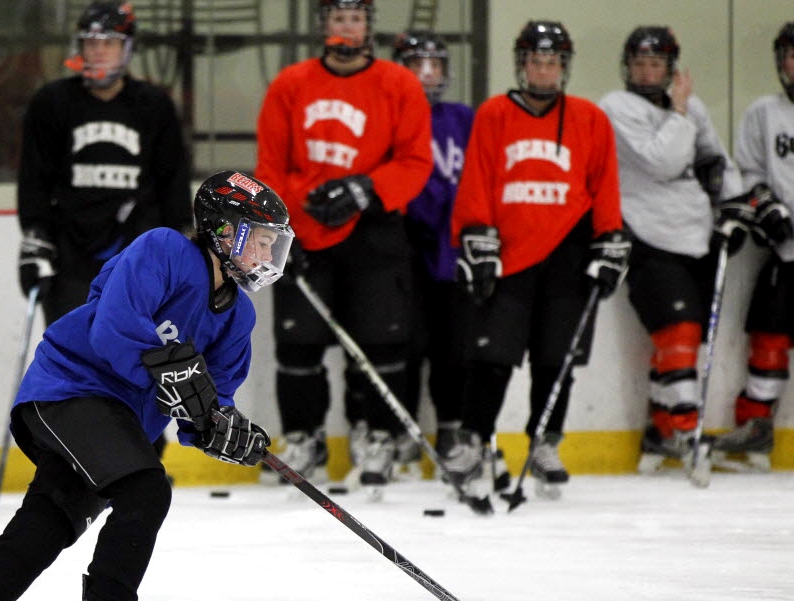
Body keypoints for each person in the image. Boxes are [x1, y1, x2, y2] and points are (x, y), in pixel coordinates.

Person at [0, 170, 294, 601]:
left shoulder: (238, 318)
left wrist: (223, 429)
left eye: (272, 244)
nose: (267, 255)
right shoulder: (165, 250)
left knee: (45, 528)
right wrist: (164, 366)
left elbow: (204, 403)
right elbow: (114, 327)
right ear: (222, 231)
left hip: (115, 421)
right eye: (260, 240)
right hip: (69, 389)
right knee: (147, 489)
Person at [254, 0, 432, 498]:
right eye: (337, 18)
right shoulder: (290, 84)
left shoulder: (399, 84)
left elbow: (416, 160)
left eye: (354, 19)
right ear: (324, 27)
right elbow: (270, 165)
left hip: (373, 233)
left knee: (380, 344)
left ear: (368, 28)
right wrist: (288, 227)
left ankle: (378, 439)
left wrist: (364, 189)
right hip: (303, 234)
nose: (345, 27)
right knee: (298, 345)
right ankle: (305, 440)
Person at [445, 20, 628, 500]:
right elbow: (477, 181)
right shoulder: (494, 114)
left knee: (557, 360)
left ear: (563, 67)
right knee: (491, 357)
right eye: (535, 60)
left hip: (568, 251)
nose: (544, 70)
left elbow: (604, 184)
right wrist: (475, 235)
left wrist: (610, 238)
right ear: (521, 64)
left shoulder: (590, 119)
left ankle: (545, 443)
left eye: (552, 61)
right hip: (508, 254)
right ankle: (472, 441)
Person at [16, 1, 191, 466]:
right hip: (72, 252)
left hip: (137, 260)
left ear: (127, 50)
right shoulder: (53, 104)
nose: (99, 53)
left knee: (138, 358)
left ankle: (144, 456)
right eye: (91, 43)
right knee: (78, 357)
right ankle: (78, 457)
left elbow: (174, 185)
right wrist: (34, 237)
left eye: (109, 43)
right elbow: (34, 180)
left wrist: (177, 248)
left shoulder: (153, 107)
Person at [598, 26, 758, 472]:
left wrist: (732, 206)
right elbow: (661, 160)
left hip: (696, 234)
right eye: (640, 64)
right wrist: (682, 109)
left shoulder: (694, 110)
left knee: (687, 342)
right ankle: (687, 429)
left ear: (669, 69)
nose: (647, 72)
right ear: (626, 67)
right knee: (680, 331)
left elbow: (715, 160)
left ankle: (661, 432)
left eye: (656, 65)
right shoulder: (616, 107)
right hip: (646, 235)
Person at [389, 30, 506, 487]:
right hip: (407, 248)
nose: (428, 75)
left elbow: (480, 177)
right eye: (418, 65)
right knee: (404, 343)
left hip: (454, 248)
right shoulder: (392, 115)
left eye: (435, 65)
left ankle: (453, 431)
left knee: (454, 348)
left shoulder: (463, 117)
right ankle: (395, 432)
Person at [711, 22, 794, 470]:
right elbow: (750, 173)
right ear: (781, 62)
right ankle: (757, 429)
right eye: (792, 55)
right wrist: (768, 208)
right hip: (786, 253)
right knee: (768, 335)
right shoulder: (764, 113)